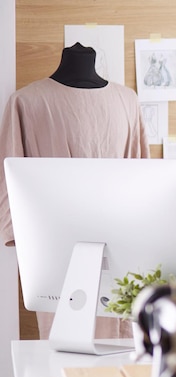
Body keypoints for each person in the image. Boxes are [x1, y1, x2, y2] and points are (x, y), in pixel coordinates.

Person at [0, 42, 149, 339]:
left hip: (118, 245)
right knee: (63, 342)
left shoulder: (127, 100)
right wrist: (18, 233)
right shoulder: (26, 102)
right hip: (55, 249)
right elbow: (9, 175)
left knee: (117, 345)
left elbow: (141, 176)